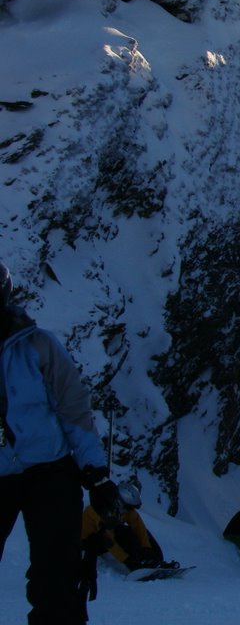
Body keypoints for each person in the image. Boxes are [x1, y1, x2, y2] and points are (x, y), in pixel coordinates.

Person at [0, 260, 121, 623]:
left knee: (56, 582)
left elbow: (73, 409)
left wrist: (95, 472)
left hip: (50, 474)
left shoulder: (37, 345)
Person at [81, 479, 179, 575]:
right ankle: (139, 563)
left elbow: (139, 527)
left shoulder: (125, 510)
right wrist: (127, 560)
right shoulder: (99, 511)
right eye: (129, 507)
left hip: (106, 537)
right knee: (123, 531)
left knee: (141, 533)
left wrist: (147, 548)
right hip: (89, 542)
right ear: (119, 502)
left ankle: (154, 561)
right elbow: (108, 541)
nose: (130, 510)